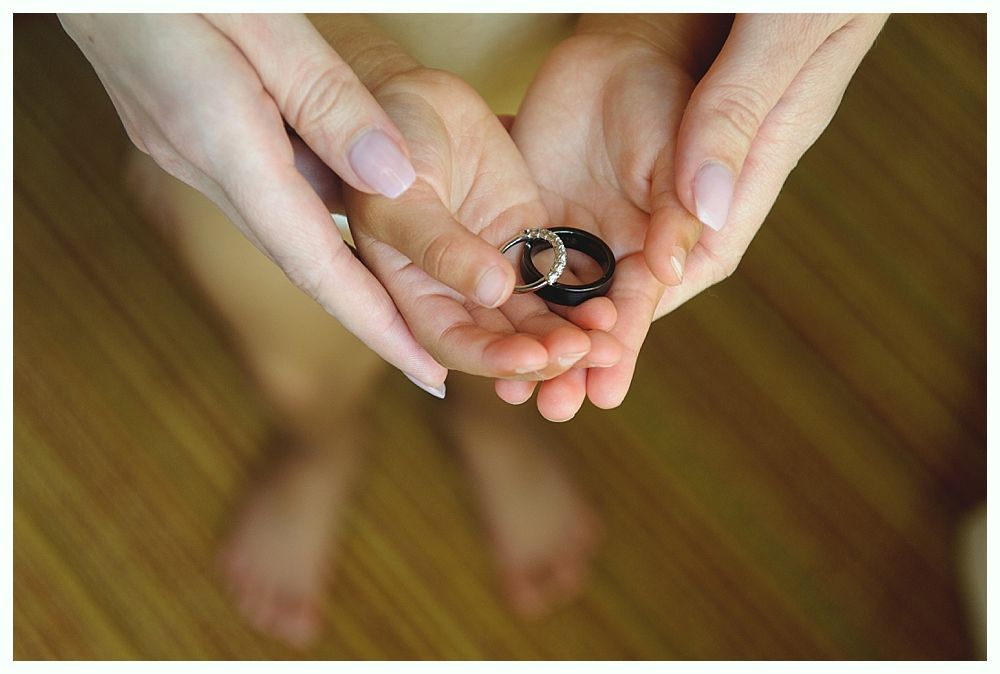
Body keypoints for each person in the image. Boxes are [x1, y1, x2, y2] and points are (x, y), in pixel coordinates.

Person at [63, 12, 887, 648]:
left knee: (521, 341)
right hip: (264, 96)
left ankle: (491, 412)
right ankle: (322, 438)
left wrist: (645, 29)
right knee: (298, 352)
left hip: (561, 80)